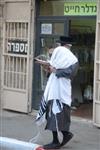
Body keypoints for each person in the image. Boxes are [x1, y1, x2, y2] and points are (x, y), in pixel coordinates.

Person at [36, 36, 79, 149]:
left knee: (56, 115)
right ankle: (65, 135)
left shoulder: (71, 59)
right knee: (55, 115)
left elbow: (70, 73)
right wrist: (46, 66)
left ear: (63, 45)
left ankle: (56, 141)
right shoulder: (63, 55)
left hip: (61, 91)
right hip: (55, 90)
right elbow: (53, 66)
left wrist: (54, 70)